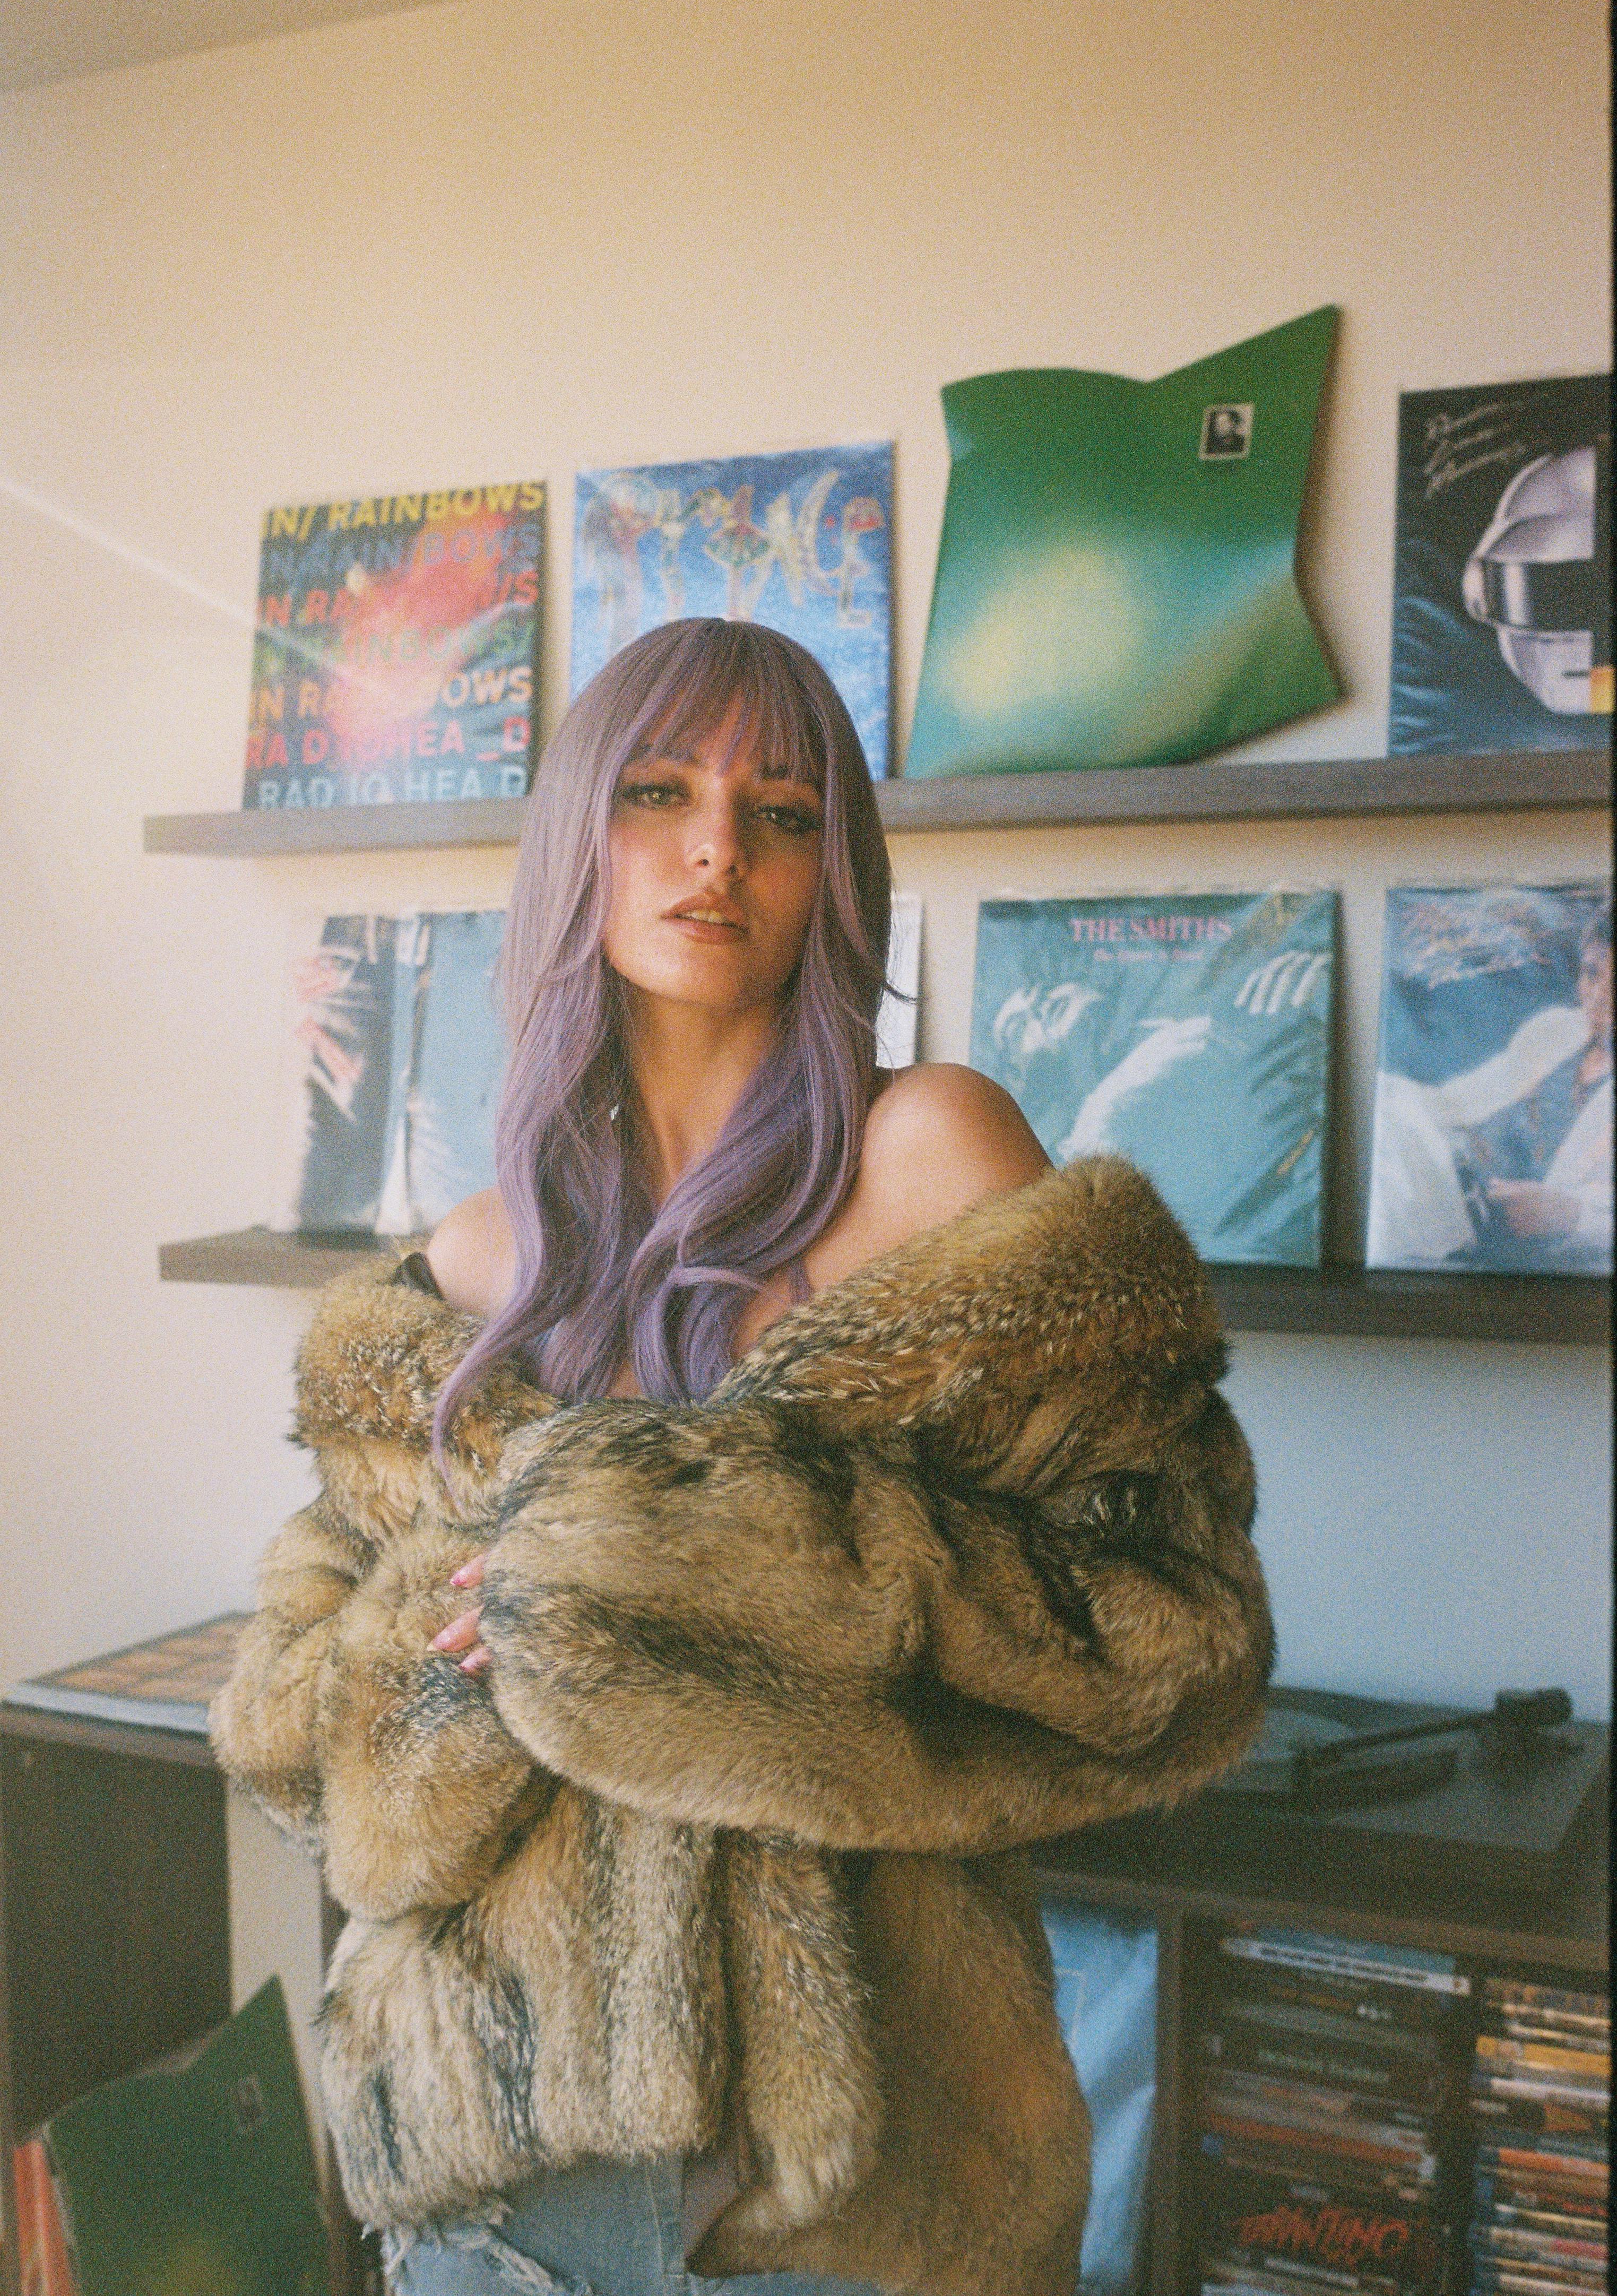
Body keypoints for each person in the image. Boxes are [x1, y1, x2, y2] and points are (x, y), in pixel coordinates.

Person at [212, 618, 1273, 2296]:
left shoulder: (933, 1156)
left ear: (833, 870)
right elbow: (291, 1738)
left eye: (782, 812)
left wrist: (677, 1573)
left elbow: (1169, 1631)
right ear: (577, 834)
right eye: (659, 791)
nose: (718, 849)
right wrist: (461, 1645)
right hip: (498, 2195)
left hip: (861, 2195)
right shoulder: (465, 1270)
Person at [1368, 909, 1612, 1275]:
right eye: (1591, 974)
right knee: (1392, 1111)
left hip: (1546, 1263)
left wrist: (1572, 1215)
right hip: (1470, 1209)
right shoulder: (1557, 1030)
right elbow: (1456, 1103)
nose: (1598, 999)